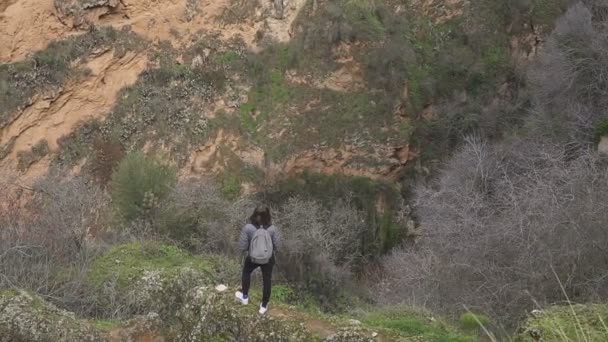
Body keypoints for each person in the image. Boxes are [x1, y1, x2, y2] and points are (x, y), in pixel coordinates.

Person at [235, 206, 280, 314]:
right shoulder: (272, 229)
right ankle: (263, 306)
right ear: (268, 215)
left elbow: (243, 246)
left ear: (254, 214)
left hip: (252, 257)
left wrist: (241, 258)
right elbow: (278, 246)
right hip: (267, 258)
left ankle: (245, 297)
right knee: (267, 280)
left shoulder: (248, 228)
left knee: (246, 272)